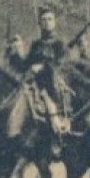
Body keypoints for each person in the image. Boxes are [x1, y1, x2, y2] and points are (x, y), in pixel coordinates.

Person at [25, 7, 73, 136]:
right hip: (35, 81)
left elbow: (62, 64)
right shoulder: (35, 44)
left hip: (54, 81)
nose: (46, 22)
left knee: (56, 95)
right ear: (39, 23)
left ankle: (61, 125)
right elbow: (27, 63)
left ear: (54, 22)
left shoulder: (60, 43)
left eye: (49, 19)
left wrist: (43, 67)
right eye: (43, 19)